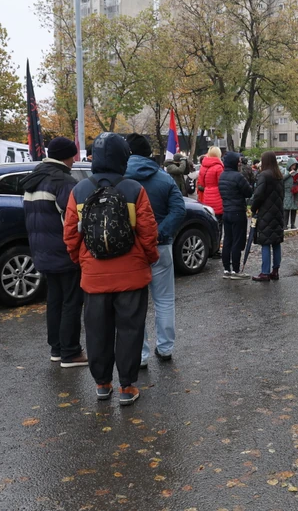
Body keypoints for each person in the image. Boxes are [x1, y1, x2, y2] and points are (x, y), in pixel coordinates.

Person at [63, 132, 159, 406]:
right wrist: (147, 259)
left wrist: (81, 261)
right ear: (122, 159)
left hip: (94, 276)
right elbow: (148, 233)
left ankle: (102, 384)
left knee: (96, 331)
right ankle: (127, 387)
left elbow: (71, 235)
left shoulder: (79, 191)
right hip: (132, 274)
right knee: (130, 330)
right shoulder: (134, 189)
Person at [20, 136, 87, 368]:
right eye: (73, 156)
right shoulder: (63, 181)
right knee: (71, 302)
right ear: (68, 156)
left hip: (42, 252)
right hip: (64, 253)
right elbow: (73, 222)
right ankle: (71, 352)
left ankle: (57, 349)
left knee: (55, 301)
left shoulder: (35, 178)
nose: (74, 160)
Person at [124, 134, 187, 367]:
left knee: (135, 303)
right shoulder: (164, 178)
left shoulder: (120, 179)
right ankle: (165, 348)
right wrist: (158, 233)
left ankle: (140, 356)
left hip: (131, 250)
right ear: (149, 153)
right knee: (164, 299)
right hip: (161, 247)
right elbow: (179, 210)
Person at [251, 152, 285, 282]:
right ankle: (275, 271)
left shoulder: (264, 175)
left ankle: (265, 272)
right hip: (277, 213)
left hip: (266, 213)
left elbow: (258, 195)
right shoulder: (279, 176)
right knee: (276, 242)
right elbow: (282, 195)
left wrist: (254, 208)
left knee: (265, 242)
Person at [218, 151, 253, 279]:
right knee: (237, 241)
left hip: (226, 211)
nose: (239, 163)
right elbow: (248, 192)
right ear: (234, 163)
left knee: (227, 240)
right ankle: (236, 270)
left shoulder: (222, 176)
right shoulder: (238, 177)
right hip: (238, 211)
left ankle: (227, 269)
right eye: (238, 161)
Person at [197, 146, 224, 256]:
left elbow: (201, 184)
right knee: (219, 225)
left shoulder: (203, 166)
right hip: (217, 198)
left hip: (207, 197)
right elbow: (222, 184)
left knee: (210, 224)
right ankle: (216, 249)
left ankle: (209, 247)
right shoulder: (219, 167)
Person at [283, 159, 298, 229]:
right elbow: (282, 179)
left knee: (294, 209)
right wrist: (289, 174)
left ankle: (292, 224)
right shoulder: (285, 171)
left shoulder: (297, 172)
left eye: (295, 165)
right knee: (286, 209)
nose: (294, 167)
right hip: (287, 192)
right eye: (292, 165)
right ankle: (285, 224)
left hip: (295, 193)